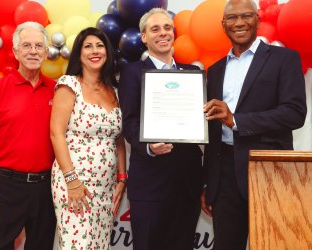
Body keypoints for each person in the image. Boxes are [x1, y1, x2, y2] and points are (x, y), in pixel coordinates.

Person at [201, 0, 307, 249]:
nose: (239, 23)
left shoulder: (285, 58)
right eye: (232, 18)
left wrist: (236, 120)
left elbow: (294, 113)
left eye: (246, 16)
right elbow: (213, 132)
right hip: (224, 174)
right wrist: (208, 182)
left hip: (268, 169)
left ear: (258, 18)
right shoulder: (215, 70)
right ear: (223, 24)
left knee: (273, 244)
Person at [118, 8, 203, 250]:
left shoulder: (192, 73)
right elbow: (129, 121)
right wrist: (149, 147)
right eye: (155, 29)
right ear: (144, 37)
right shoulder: (132, 72)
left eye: (167, 28)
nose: (163, 33)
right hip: (150, 183)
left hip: (187, 182)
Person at [0, 21, 56, 250]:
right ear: (16, 52)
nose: (33, 51)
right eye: (26, 45)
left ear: (47, 53)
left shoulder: (57, 90)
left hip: (45, 187)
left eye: (39, 46)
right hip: (5, 187)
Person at [50, 27, 126, 250]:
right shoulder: (69, 85)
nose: (95, 51)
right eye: (88, 46)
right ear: (79, 54)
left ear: (107, 52)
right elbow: (56, 134)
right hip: (75, 183)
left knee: (99, 245)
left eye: (100, 46)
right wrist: (72, 181)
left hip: (106, 186)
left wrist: (121, 178)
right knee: (78, 245)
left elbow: (118, 139)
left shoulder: (114, 91)